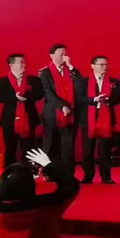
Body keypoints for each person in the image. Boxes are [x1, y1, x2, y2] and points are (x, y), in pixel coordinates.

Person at [0, 149, 80, 238]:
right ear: (31, 185)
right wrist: (48, 165)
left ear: (2, 185)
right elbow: (71, 186)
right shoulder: (46, 205)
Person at [0, 54, 44, 167]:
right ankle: (10, 173)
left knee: (28, 150)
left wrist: (26, 96)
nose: (24, 65)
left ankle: (28, 172)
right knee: (10, 149)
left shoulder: (33, 80)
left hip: (28, 120)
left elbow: (40, 94)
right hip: (9, 120)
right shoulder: (2, 81)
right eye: (20, 63)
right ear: (11, 65)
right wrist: (15, 96)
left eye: (24, 62)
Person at [76, 55, 120, 184]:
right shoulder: (84, 82)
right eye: (101, 65)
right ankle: (88, 176)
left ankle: (106, 176)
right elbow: (79, 98)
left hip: (106, 118)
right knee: (88, 150)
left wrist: (108, 100)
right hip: (88, 119)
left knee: (105, 150)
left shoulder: (113, 81)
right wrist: (94, 100)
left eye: (106, 64)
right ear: (93, 66)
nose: (104, 67)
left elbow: (118, 99)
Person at [39, 44, 82, 176]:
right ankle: (49, 174)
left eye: (65, 54)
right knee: (51, 144)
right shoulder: (44, 73)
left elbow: (80, 86)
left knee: (68, 146)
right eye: (61, 54)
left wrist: (71, 67)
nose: (64, 56)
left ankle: (68, 175)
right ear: (52, 56)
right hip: (52, 114)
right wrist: (62, 106)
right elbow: (48, 92)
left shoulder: (71, 71)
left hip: (71, 113)